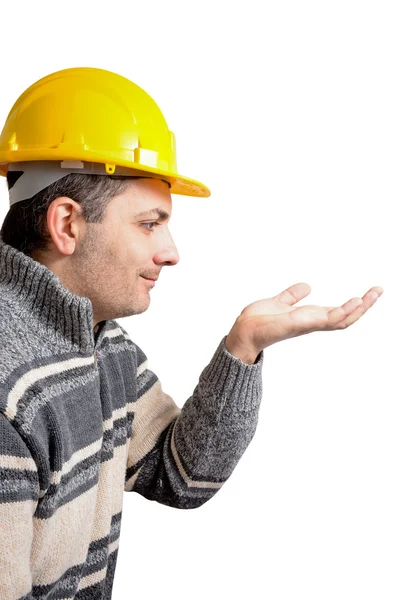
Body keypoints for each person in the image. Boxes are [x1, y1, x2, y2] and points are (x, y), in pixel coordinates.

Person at [0, 67, 383, 600]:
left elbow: (182, 475)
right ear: (67, 224)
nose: (171, 252)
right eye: (148, 224)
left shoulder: (98, 344)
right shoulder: (9, 387)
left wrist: (242, 348)